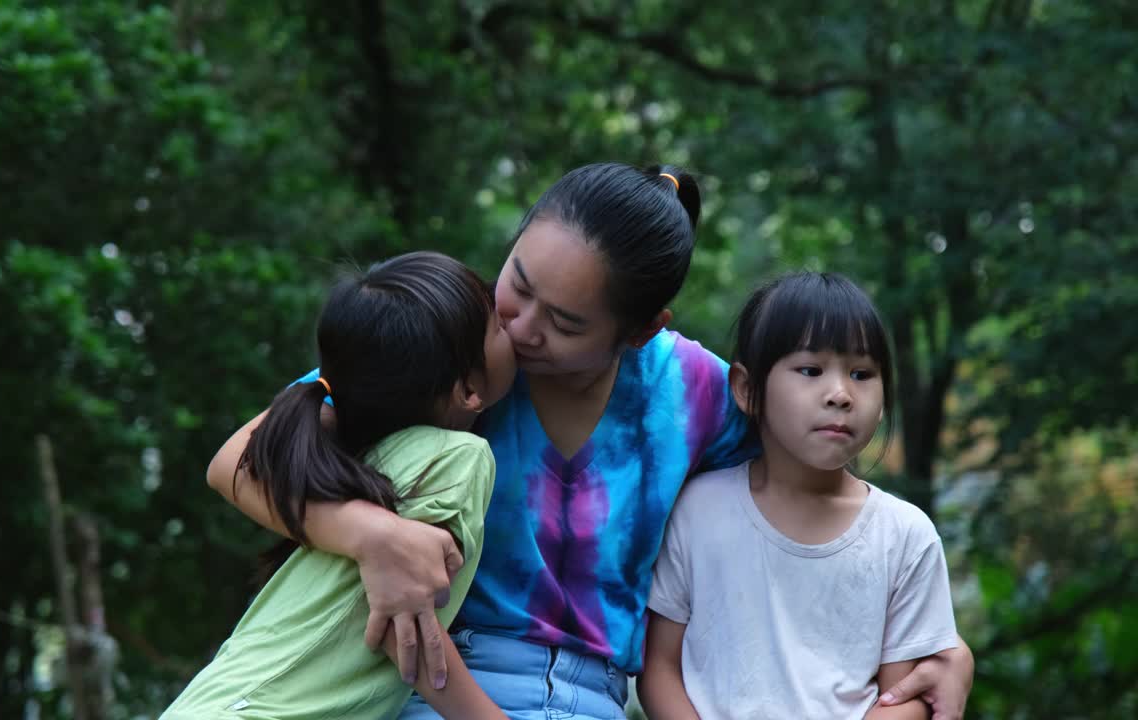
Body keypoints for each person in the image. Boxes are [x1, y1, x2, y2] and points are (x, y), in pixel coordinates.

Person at [207, 163, 975, 719]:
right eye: (518, 281)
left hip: (602, 698)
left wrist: (936, 652)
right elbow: (240, 459)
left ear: (641, 331)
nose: (520, 325)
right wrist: (370, 534)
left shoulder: (700, 395)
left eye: (565, 323)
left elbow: (813, 503)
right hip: (438, 688)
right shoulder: (447, 345)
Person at [162, 252, 516, 720]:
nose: (513, 327)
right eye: (497, 326)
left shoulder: (350, 454)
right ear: (469, 388)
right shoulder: (458, 457)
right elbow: (405, 626)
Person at [639, 272, 958, 719]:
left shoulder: (905, 536)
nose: (841, 394)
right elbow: (659, 670)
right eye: (811, 370)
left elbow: (902, 700)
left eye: (862, 374)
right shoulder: (697, 510)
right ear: (747, 390)